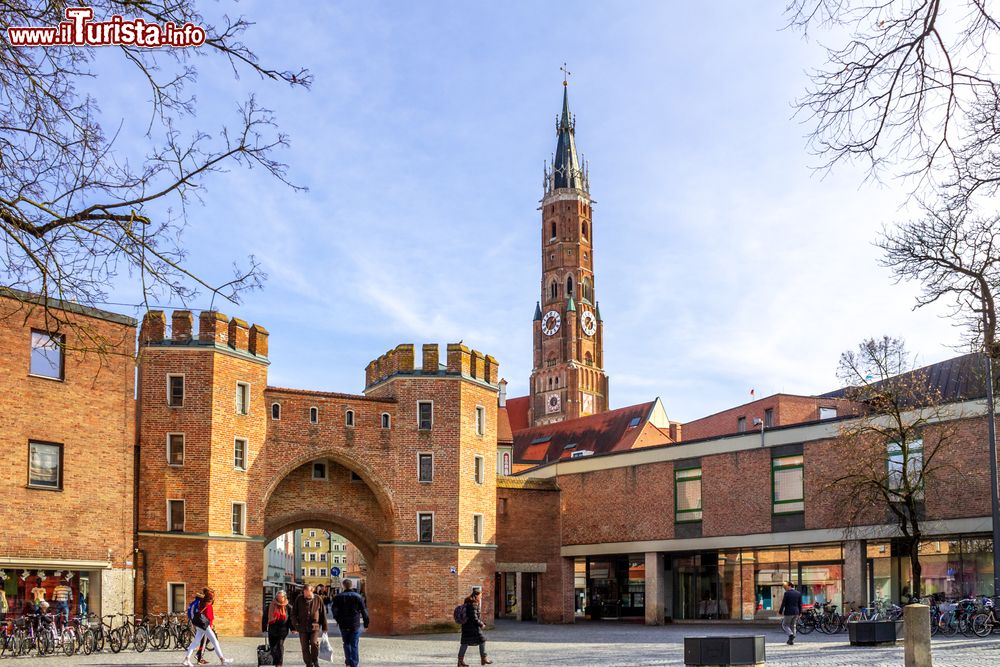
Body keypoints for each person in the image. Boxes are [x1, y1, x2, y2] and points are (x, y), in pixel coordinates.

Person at [182, 589, 232, 666]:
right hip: (205, 626)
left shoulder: (201, 603)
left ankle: (187, 659)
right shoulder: (207, 604)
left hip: (199, 625)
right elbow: (209, 616)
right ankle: (222, 660)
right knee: (215, 642)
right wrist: (210, 625)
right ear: (210, 598)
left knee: (195, 642)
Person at [331, 579, 369, 667]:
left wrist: (338, 620)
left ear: (343, 586)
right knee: (354, 644)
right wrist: (366, 624)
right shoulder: (358, 597)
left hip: (343, 624)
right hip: (355, 624)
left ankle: (348, 663)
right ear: (352, 586)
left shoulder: (338, 597)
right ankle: (354, 664)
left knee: (346, 643)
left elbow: (334, 610)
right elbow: (364, 611)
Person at [292, 584, 327, 667]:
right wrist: (296, 625)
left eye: (307, 594)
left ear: (312, 591)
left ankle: (315, 660)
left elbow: (322, 613)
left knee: (314, 643)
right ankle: (308, 663)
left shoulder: (318, 598)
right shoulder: (299, 599)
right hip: (302, 627)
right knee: (304, 647)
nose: (306, 595)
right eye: (304, 593)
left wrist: (325, 627)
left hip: (315, 626)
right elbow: (293, 613)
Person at [458, 587, 492, 666]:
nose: (481, 597)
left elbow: (472, 616)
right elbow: (474, 618)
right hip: (473, 628)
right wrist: (481, 624)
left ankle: (460, 662)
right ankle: (483, 659)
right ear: (476, 596)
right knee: (482, 640)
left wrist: (481, 622)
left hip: (466, 627)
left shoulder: (467, 603)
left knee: (464, 643)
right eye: (480, 595)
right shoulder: (473, 604)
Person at [266, 590, 293, 667]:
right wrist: (264, 628)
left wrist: (293, 628)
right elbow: (265, 617)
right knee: (272, 647)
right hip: (272, 630)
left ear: (284, 597)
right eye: (277, 596)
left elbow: (291, 619)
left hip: (283, 630)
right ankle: (276, 662)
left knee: (280, 646)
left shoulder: (288, 607)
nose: (278, 598)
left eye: (280, 597)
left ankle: (279, 664)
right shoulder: (271, 605)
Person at [778, 581, 802, 645]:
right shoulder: (798, 593)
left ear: (790, 586)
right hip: (796, 612)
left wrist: (780, 611)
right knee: (793, 625)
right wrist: (800, 612)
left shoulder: (787, 593)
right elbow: (800, 604)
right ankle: (791, 640)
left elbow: (783, 603)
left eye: (786, 586)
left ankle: (791, 634)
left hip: (788, 612)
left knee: (785, 624)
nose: (785, 587)